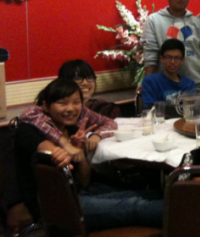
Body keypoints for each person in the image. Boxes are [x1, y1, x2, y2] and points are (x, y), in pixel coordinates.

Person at [14, 79, 164, 231]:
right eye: (63, 103)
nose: (71, 108)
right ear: (46, 106)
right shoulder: (28, 130)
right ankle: (179, 216)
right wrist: (61, 150)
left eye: (76, 102)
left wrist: (80, 151)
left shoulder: (73, 130)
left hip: (79, 192)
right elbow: (44, 146)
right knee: (134, 205)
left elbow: (84, 181)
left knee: (145, 194)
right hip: (56, 206)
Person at [142, 0, 200, 99]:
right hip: (165, 86)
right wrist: (147, 85)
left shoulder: (198, 23)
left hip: (197, 84)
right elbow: (150, 54)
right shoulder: (154, 21)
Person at [19, 60, 117, 154]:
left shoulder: (82, 110)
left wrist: (96, 135)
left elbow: (109, 122)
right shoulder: (43, 112)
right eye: (78, 78)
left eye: (89, 77)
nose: (85, 83)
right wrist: (63, 142)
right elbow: (27, 114)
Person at [141, 39, 196, 110]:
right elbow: (149, 108)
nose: (172, 62)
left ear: (182, 60)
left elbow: (191, 109)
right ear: (162, 59)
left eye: (177, 58)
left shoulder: (189, 84)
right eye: (168, 57)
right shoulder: (150, 81)